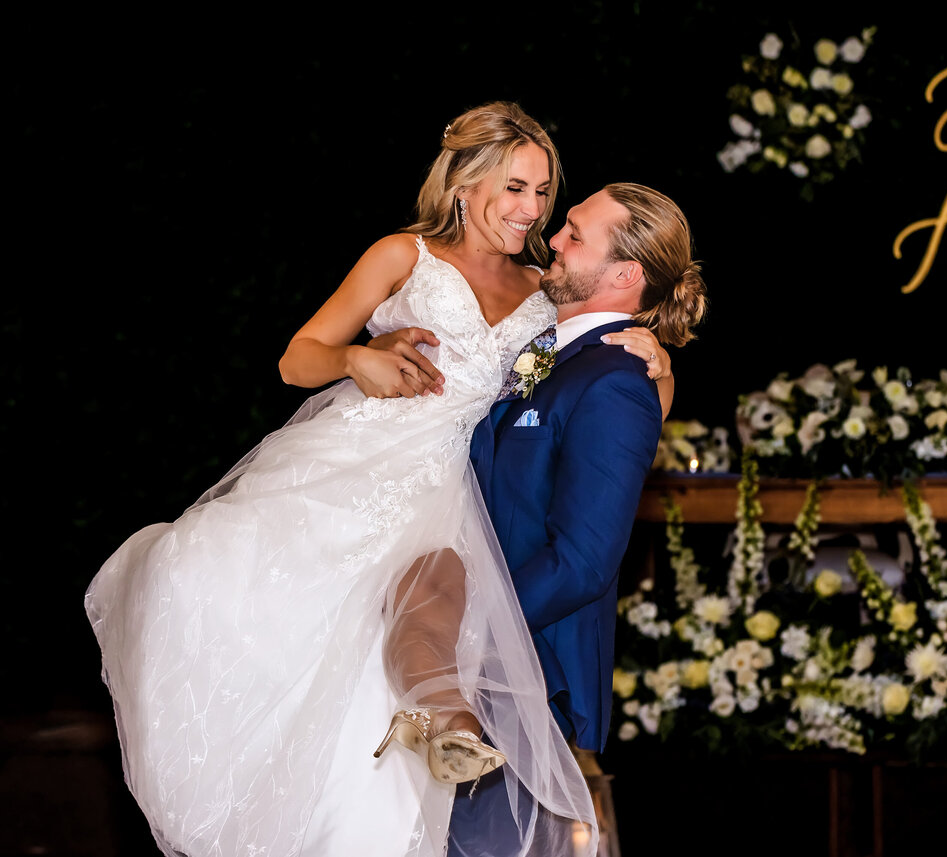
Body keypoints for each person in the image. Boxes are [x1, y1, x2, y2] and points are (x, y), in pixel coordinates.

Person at [84, 102, 670, 857]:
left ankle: (418, 755)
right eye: (517, 189)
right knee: (216, 584)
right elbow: (299, 357)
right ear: (466, 183)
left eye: (543, 195)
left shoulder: (544, 290)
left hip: (457, 484)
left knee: (403, 629)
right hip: (362, 458)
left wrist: (660, 366)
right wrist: (357, 358)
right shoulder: (403, 254)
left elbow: (591, 384)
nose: (532, 212)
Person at [449, 182, 707, 856]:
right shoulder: (547, 352)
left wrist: (468, 625)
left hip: (528, 681)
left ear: (623, 274)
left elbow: (583, 560)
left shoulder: (618, 381)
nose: (553, 237)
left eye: (575, 233)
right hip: (467, 672)